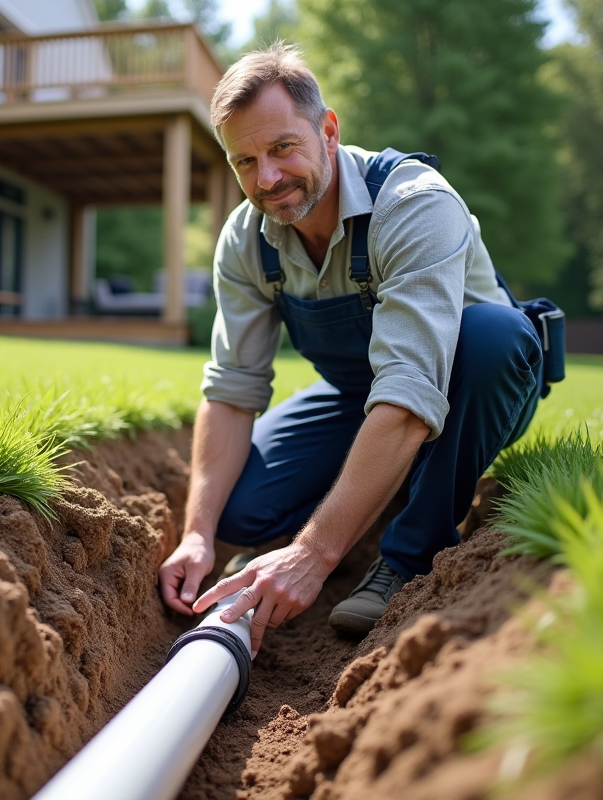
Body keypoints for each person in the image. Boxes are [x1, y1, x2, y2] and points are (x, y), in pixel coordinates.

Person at [157, 43, 545, 657]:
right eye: (245, 161)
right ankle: (374, 486)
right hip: (361, 392)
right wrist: (199, 535)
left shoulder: (414, 202)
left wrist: (313, 556)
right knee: (238, 515)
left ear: (328, 130)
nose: (267, 179)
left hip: (473, 382)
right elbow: (232, 389)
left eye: (283, 147)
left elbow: (414, 386)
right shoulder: (245, 241)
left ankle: (406, 555)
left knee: (492, 338)